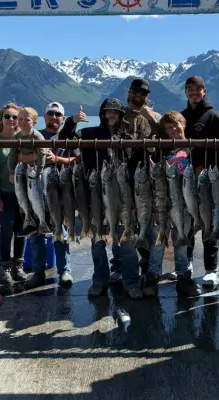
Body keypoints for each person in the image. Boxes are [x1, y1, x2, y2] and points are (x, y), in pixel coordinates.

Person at [59, 98, 151, 299]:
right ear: (102, 114)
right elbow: (64, 137)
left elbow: (141, 160)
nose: (111, 115)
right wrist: (72, 120)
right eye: (107, 112)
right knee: (98, 243)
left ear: (120, 115)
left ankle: (132, 283)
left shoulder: (128, 136)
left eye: (115, 112)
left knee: (126, 242)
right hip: (95, 195)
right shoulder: (90, 133)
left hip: (123, 196)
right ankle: (99, 281)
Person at [142, 111, 201, 298]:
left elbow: (200, 176)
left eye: (176, 125)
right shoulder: (162, 149)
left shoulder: (194, 148)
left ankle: (184, 277)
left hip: (184, 205)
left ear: (183, 124)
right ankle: (152, 277)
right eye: (168, 128)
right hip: (161, 203)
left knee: (181, 242)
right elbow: (152, 179)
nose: (173, 129)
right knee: (158, 242)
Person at [110, 78, 162, 282]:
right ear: (128, 93)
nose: (138, 96)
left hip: (146, 177)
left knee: (146, 220)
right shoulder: (117, 114)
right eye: (135, 92)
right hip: (120, 175)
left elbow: (162, 141)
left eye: (143, 94)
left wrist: (151, 118)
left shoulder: (154, 116)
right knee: (122, 220)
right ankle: (118, 265)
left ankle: (147, 264)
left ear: (147, 97)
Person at [24, 102, 78, 289]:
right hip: (36, 188)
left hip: (60, 190)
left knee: (60, 229)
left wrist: (57, 159)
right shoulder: (34, 136)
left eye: (58, 114)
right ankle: (38, 272)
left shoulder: (70, 137)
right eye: (50, 113)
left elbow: (77, 160)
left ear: (63, 118)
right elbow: (21, 157)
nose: (54, 117)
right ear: (44, 116)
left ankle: (65, 271)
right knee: (35, 231)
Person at [181, 75, 219, 286]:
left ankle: (211, 268)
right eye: (190, 89)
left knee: (209, 222)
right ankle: (187, 262)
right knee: (188, 222)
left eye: (197, 89)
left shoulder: (214, 116)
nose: (193, 92)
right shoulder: (181, 117)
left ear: (204, 91)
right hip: (185, 179)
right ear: (186, 92)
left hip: (208, 179)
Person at [0, 103, 29, 285]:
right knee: (6, 230)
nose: (11, 120)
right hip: (4, 194)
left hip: (22, 194)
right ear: (0, 119)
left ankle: (19, 265)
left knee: (22, 230)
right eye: (7, 116)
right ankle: (5, 267)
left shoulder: (23, 140)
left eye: (15, 117)